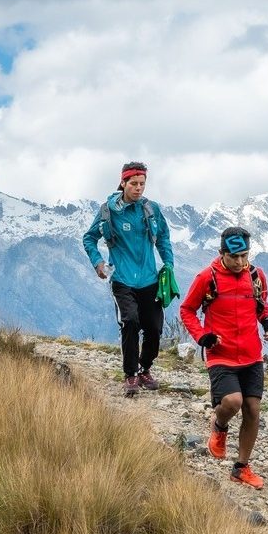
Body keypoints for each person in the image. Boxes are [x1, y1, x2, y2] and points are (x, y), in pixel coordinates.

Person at [179, 226, 268, 490]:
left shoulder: (256, 276)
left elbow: (261, 304)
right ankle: (219, 424)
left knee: (253, 410)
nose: (240, 262)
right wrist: (202, 336)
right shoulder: (206, 278)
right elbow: (187, 310)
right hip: (220, 354)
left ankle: (241, 468)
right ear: (222, 253)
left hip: (251, 354)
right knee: (233, 402)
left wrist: (267, 322)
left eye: (244, 256)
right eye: (234, 256)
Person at [82, 161, 175, 397]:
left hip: (149, 279)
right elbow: (89, 238)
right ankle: (131, 374)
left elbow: (163, 238)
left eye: (142, 184)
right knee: (130, 322)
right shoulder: (108, 211)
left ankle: (145, 369)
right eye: (133, 183)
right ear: (123, 183)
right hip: (122, 280)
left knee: (154, 328)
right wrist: (98, 262)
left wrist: (169, 264)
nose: (138, 188)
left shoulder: (151, 209)